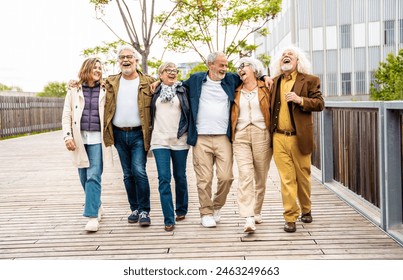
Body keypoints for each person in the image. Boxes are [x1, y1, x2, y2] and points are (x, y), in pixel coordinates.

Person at [182, 51, 273, 228]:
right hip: (201, 137)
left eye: (226, 65)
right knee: (204, 179)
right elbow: (176, 85)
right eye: (221, 65)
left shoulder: (231, 79)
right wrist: (157, 82)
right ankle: (206, 212)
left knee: (226, 177)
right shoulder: (195, 80)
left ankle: (216, 206)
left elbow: (252, 75)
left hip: (224, 137)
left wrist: (265, 75)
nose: (225, 68)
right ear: (210, 65)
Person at [269, 46, 324, 233]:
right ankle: (290, 217)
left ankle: (306, 209)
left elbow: (320, 103)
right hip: (278, 137)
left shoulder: (310, 80)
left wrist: (300, 100)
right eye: (283, 55)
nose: (286, 56)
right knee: (286, 179)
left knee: (303, 178)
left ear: (297, 61)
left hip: (299, 137)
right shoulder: (274, 82)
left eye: (290, 55)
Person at [103, 45, 155, 227]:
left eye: (129, 57)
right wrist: (76, 83)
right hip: (118, 134)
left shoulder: (148, 82)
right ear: (119, 61)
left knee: (138, 170)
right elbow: (90, 84)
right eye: (122, 57)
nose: (126, 60)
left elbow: (168, 86)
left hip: (139, 134)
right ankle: (134, 208)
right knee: (127, 174)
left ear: (136, 60)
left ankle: (144, 211)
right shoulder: (110, 83)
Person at [62, 58, 112, 232]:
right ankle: (97, 205)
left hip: (98, 140)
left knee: (93, 176)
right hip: (79, 139)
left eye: (100, 68)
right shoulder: (74, 90)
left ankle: (92, 217)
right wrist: (67, 136)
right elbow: (66, 115)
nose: (98, 70)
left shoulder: (106, 89)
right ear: (86, 69)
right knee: (84, 177)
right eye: (95, 68)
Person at [231, 57, 272, 233]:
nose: (240, 69)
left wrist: (265, 76)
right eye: (238, 68)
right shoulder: (234, 89)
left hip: (261, 132)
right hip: (240, 135)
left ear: (254, 70)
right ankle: (248, 217)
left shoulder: (267, 87)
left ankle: (257, 211)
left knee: (260, 176)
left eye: (243, 66)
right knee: (245, 175)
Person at [150, 62, 190, 232]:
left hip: (180, 139)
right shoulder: (153, 90)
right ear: (160, 75)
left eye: (174, 70)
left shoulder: (183, 89)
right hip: (159, 140)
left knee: (180, 176)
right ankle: (168, 218)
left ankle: (181, 209)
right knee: (164, 178)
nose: (172, 73)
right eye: (168, 71)